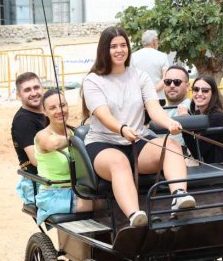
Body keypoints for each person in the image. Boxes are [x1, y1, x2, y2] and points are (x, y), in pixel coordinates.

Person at [81, 26, 194, 227]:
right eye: (113, 46)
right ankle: (135, 215)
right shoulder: (93, 80)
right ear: (104, 49)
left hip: (137, 140)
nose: (119, 50)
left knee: (172, 146)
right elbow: (103, 114)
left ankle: (179, 196)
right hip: (103, 143)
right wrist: (122, 129)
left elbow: (154, 108)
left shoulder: (140, 76)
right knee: (119, 162)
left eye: (123, 45)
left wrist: (169, 123)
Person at [18, 89, 94, 223]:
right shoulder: (42, 136)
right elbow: (52, 144)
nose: (59, 111)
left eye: (62, 105)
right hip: (53, 194)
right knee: (99, 205)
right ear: (44, 112)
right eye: (53, 108)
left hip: (78, 190)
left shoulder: (75, 131)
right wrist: (79, 139)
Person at [184, 75, 223, 166]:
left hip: (215, 169)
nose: (199, 93)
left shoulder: (217, 118)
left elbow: (197, 152)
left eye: (205, 90)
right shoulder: (198, 114)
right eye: (196, 89)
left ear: (213, 93)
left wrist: (185, 122)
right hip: (202, 165)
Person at [11, 72, 46, 175]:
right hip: (39, 180)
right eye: (27, 90)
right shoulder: (23, 120)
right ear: (19, 95)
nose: (34, 93)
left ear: (42, 89)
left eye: (36, 87)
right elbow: (36, 161)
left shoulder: (47, 112)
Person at [130, 30, 169, 106]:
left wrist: (145, 92)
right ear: (153, 42)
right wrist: (152, 91)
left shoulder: (133, 56)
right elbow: (165, 78)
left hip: (139, 98)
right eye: (157, 40)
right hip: (158, 98)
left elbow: (130, 78)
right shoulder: (162, 56)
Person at [162, 64, 191, 149]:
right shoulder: (158, 110)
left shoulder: (193, 107)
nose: (172, 85)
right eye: (167, 82)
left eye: (177, 82)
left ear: (187, 86)